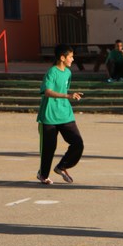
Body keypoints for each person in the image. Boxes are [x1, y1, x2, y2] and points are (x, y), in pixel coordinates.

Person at [36, 44, 84, 185]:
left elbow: (64, 90)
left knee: (78, 143)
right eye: (70, 56)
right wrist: (67, 96)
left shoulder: (68, 73)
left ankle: (62, 166)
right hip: (49, 115)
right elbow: (47, 91)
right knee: (49, 148)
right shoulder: (52, 72)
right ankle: (43, 175)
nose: (73, 59)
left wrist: (69, 96)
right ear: (62, 58)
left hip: (65, 114)